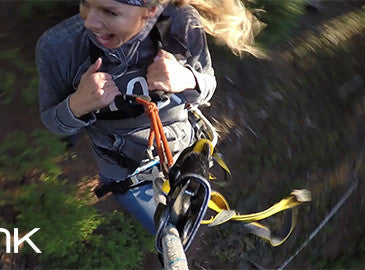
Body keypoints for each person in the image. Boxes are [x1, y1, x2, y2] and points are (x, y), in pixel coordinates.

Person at [36, 0, 262, 234]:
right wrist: (76, 105)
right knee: (168, 234)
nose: (89, 21)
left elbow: (207, 84)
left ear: (151, 11)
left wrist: (186, 79)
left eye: (110, 12)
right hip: (125, 173)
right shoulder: (58, 47)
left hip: (183, 153)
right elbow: (53, 121)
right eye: (85, 2)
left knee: (187, 224)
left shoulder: (181, 21)